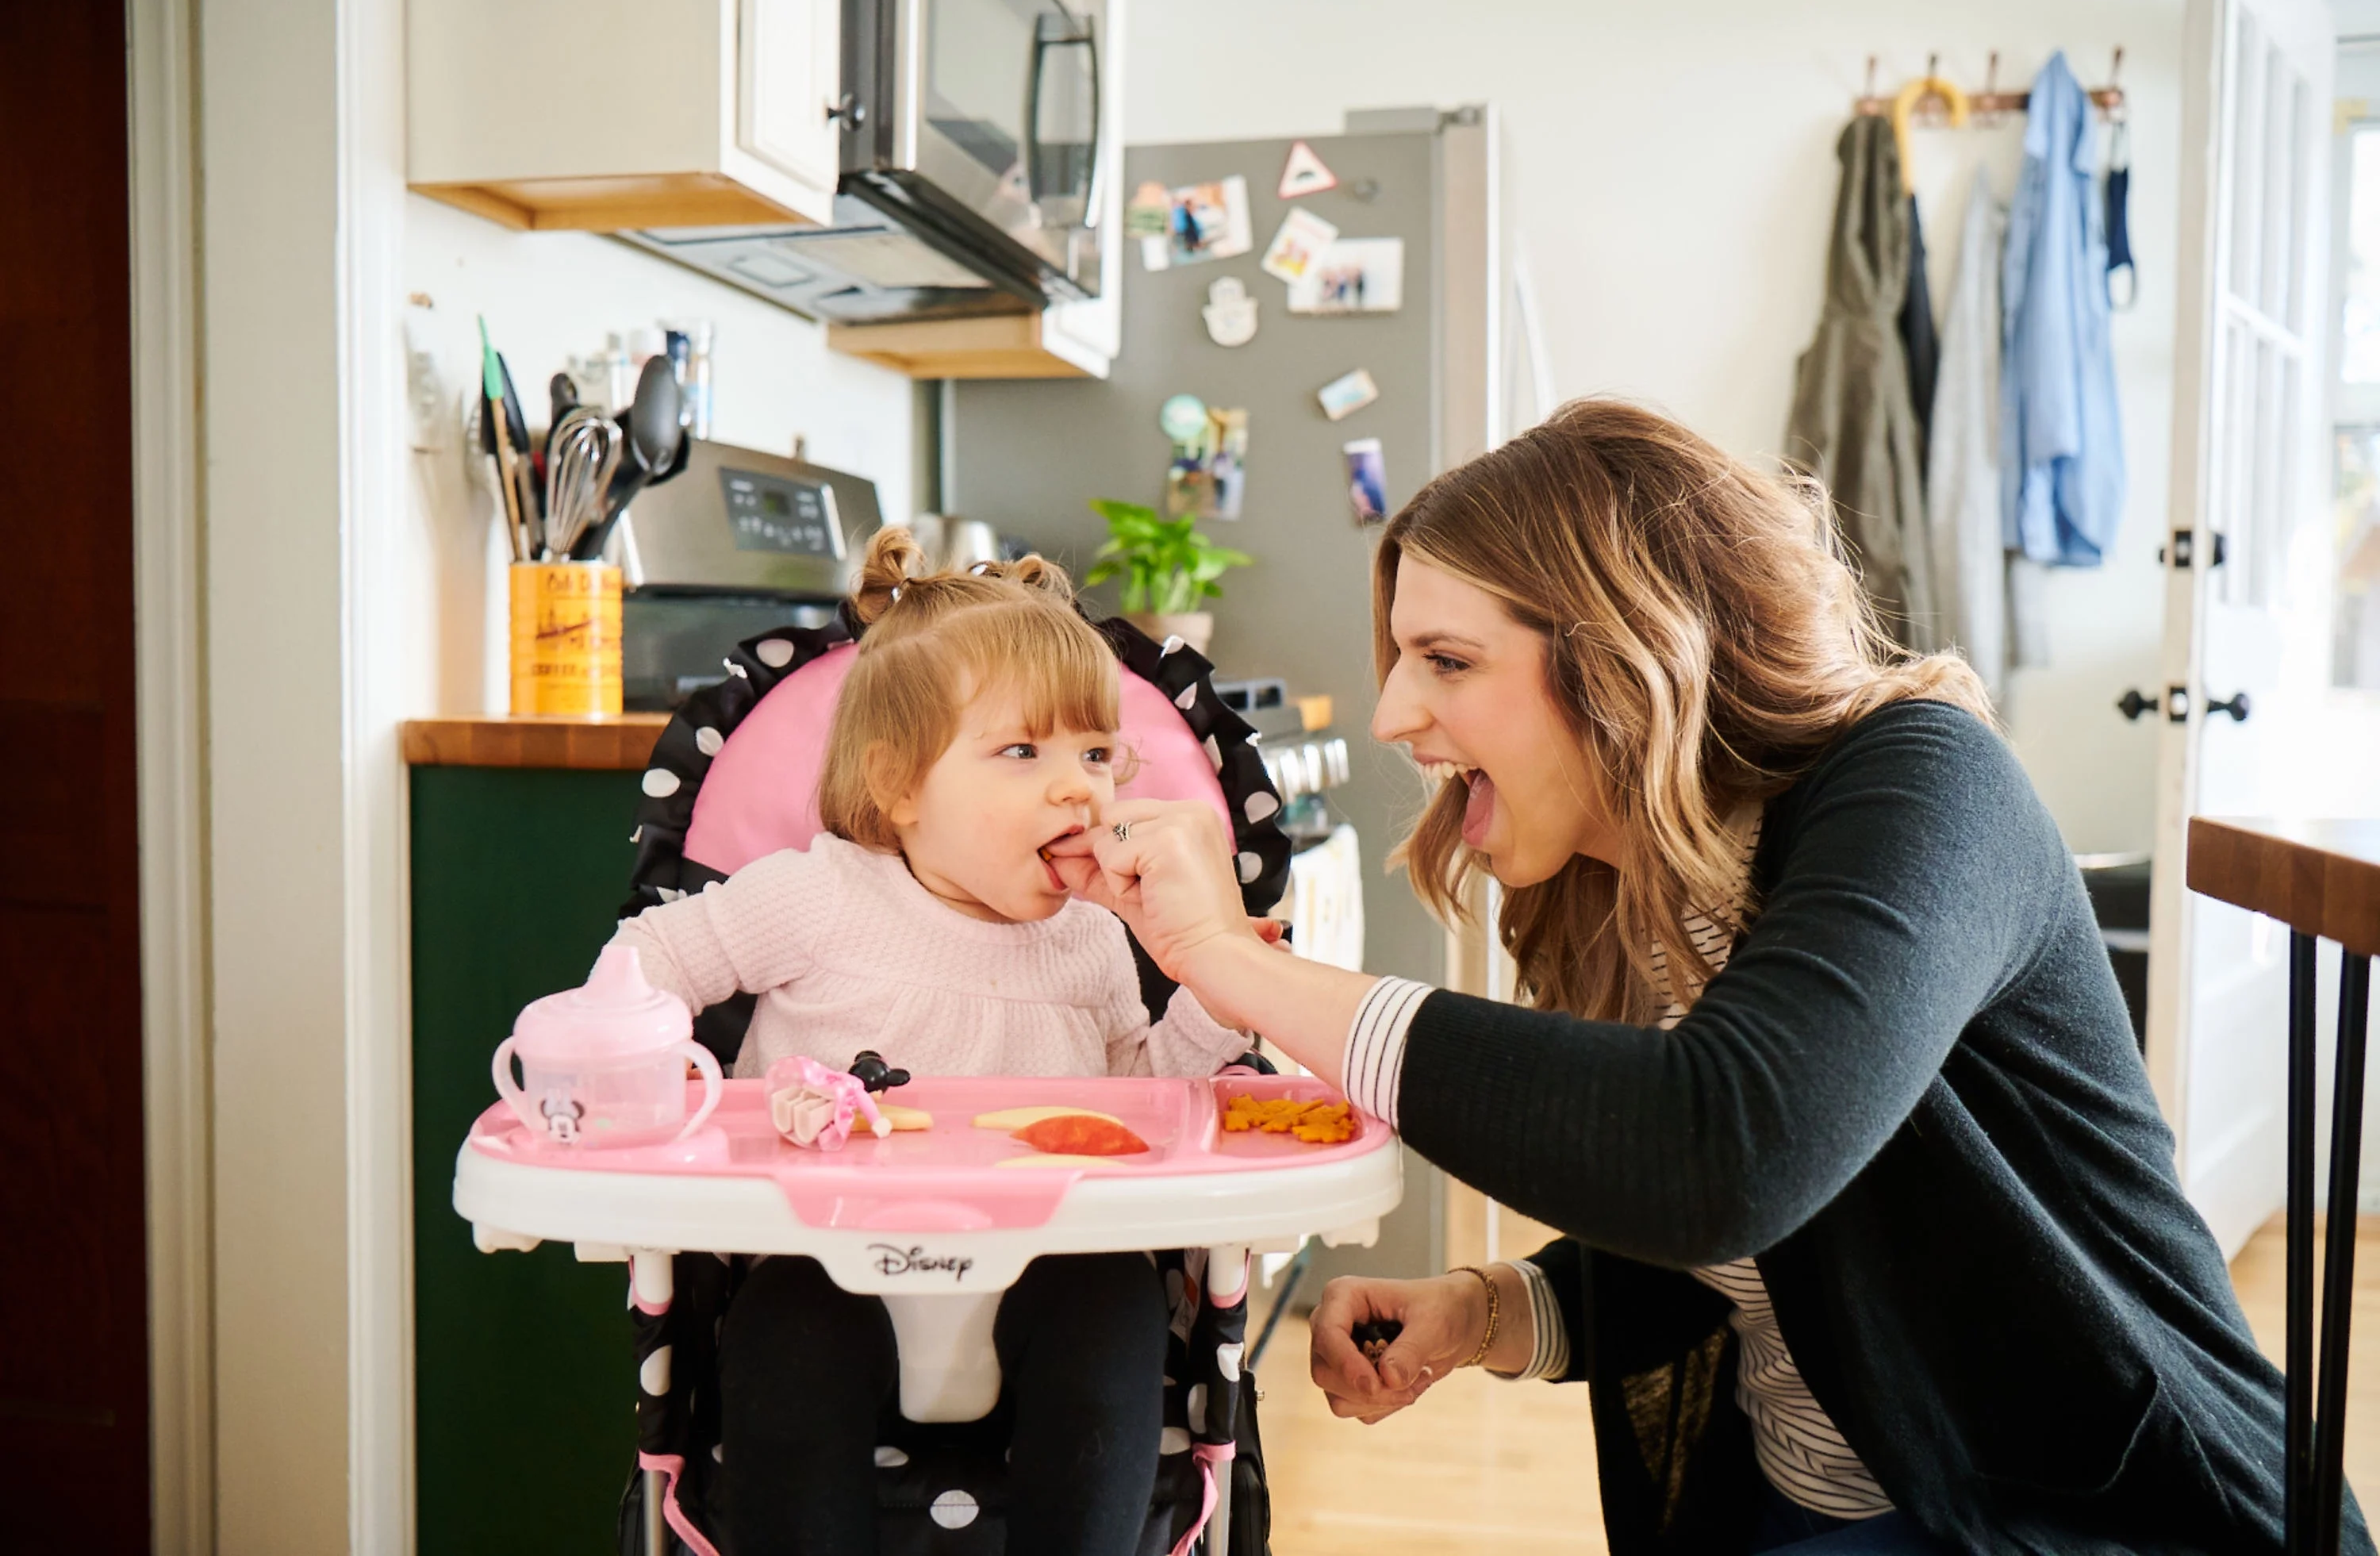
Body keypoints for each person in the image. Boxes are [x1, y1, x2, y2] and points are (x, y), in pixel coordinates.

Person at [1046, 400, 2363, 1554]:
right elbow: (1777, 1248)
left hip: (2074, 1519)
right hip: (1811, 1508)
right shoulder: (1637, 893)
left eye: (1447, 661)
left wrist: (1230, 965)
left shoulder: (1924, 783)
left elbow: (1724, 1147)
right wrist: (1495, 1307)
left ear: (1630, 657)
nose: (1393, 713)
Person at [608, 527, 1252, 1555]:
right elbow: (652, 957)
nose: (1079, 787)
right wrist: (617, 1058)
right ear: (900, 785)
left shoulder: (1091, 937)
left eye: (1096, 753)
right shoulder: (816, 896)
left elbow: (1147, 1099)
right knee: (785, 1328)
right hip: (827, 1266)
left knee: (1115, 1304)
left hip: (1048, 1274)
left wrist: (1217, 991)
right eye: (1022, 751)